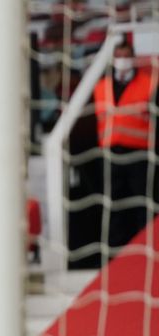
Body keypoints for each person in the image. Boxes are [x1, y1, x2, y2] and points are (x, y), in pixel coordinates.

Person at [93, 39, 156, 258]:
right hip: (110, 154)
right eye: (118, 55)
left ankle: (146, 249)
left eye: (126, 55)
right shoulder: (101, 86)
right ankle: (115, 254)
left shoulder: (150, 83)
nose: (122, 60)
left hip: (139, 153)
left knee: (142, 204)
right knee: (114, 206)